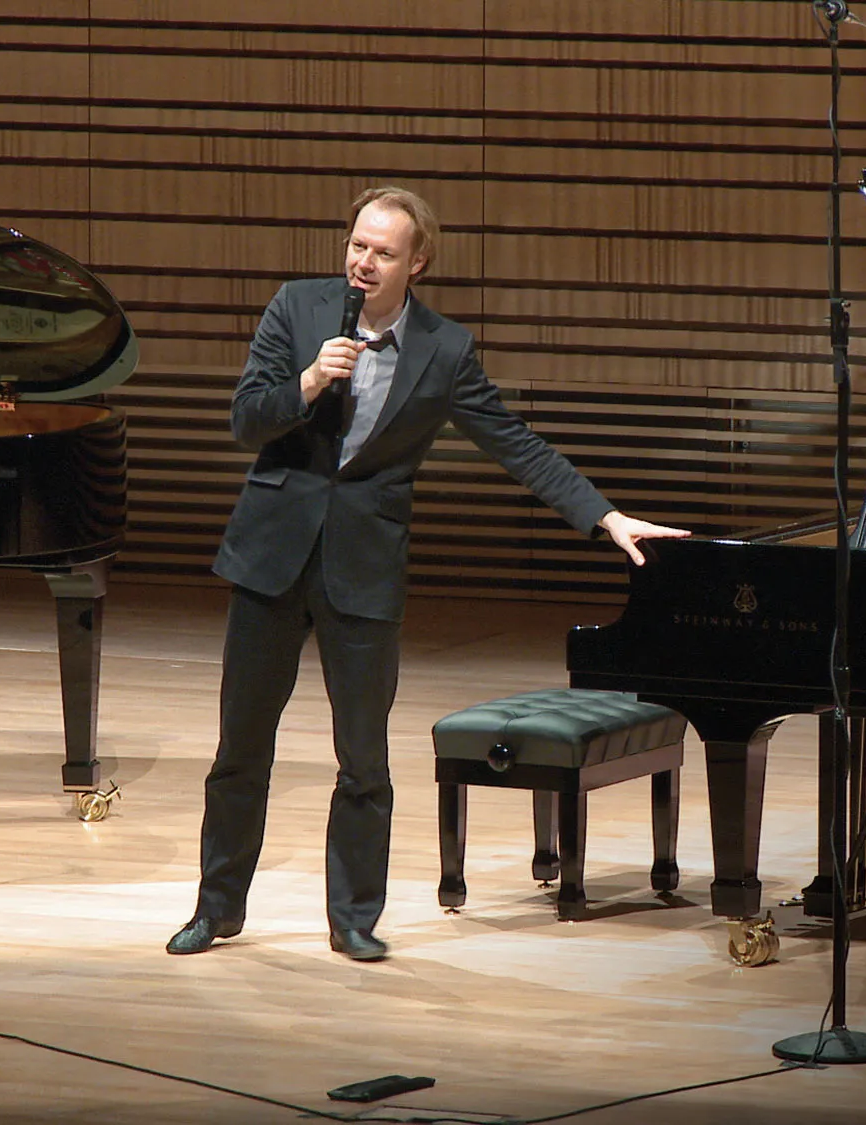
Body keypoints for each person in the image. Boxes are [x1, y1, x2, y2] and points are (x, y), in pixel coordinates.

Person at [166, 186, 689, 962]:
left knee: (364, 759)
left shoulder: (445, 350)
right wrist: (307, 382)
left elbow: (518, 445)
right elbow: (248, 419)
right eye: (356, 245)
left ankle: (352, 917)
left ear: (418, 262)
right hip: (271, 558)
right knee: (241, 747)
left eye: (381, 251)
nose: (362, 262)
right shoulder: (297, 308)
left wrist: (606, 517)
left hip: (363, 567)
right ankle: (217, 909)